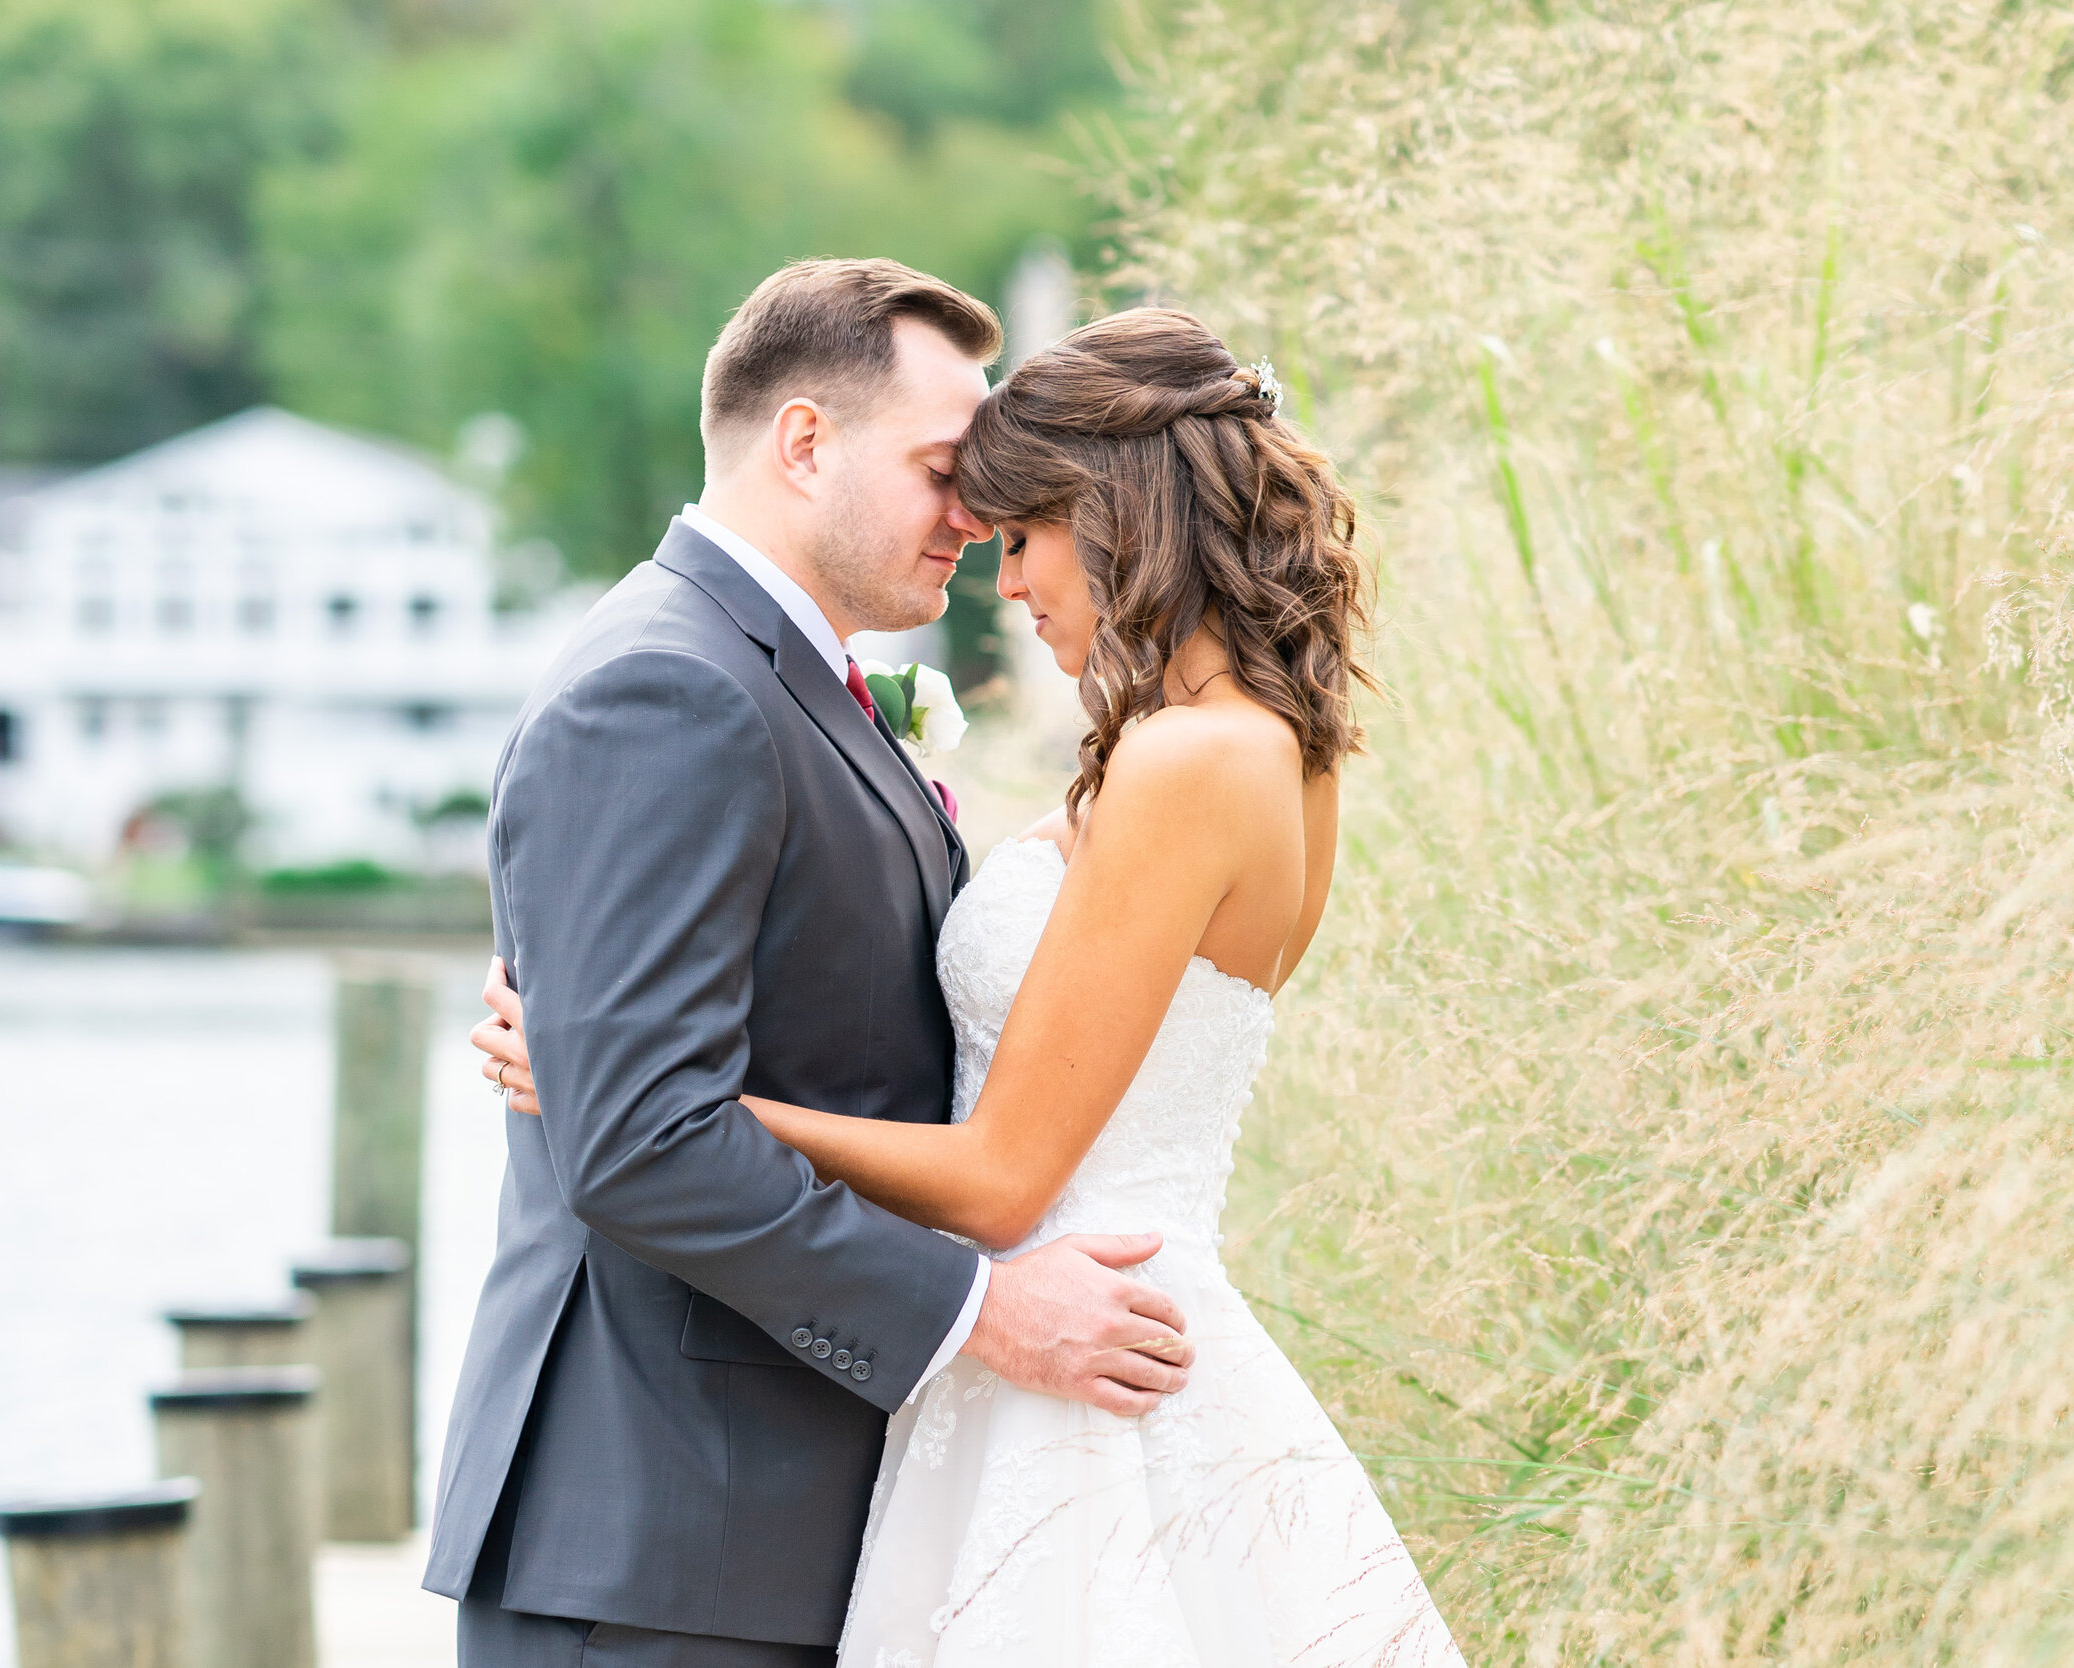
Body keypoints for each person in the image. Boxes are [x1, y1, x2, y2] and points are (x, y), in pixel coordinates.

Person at [472, 305, 1466, 1664]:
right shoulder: (1278, 750)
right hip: (709, 1507)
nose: (990, 563)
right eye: (953, 483)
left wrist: (636, 1088)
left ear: (1119, 512)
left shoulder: (1184, 763)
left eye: (1016, 525)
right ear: (807, 442)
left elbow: (996, 1166)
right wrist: (637, 1097)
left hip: (1072, 1345)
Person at [426, 259, 1201, 1668]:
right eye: (941, 470)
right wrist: (985, 1311)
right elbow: (642, 1144)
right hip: (661, 1542)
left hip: (767, 1525)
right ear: (803, 442)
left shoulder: (785, 682)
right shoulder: (665, 687)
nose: (978, 513)